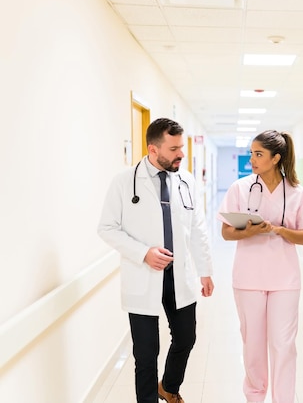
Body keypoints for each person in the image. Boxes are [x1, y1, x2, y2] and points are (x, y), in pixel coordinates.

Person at [98, 118, 214, 403]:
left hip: (179, 275)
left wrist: (205, 270)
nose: (181, 154)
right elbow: (106, 228)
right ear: (153, 149)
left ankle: (169, 386)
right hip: (143, 274)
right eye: (174, 148)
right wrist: (143, 253)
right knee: (146, 353)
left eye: (182, 147)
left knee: (186, 338)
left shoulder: (186, 180)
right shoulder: (124, 182)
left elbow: (197, 228)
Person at [217, 130, 303, 403]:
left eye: (258, 154)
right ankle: (255, 397)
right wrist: (249, 232)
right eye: (251, 153)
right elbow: (226, 232)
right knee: (254, 347)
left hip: (285, 280)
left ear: (276, 158)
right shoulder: (241, 188)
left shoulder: (296, 193)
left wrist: (279, 230)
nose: (252, 159)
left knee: (284, 346)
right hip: (248, 278)